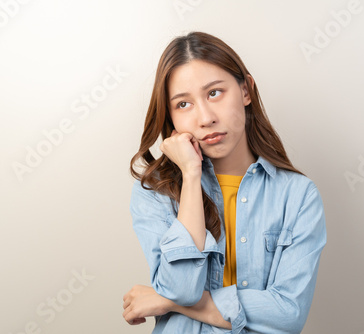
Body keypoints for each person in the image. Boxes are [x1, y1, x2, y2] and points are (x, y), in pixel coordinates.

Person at [122, 31, 327, 334]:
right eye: (183, 104)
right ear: (171, 117)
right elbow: (181, 287)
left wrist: (170, 302)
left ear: (246, 91)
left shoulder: (297, 196)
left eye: (215, 93)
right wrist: (191, 175)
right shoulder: (156, 194)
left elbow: (287, 314)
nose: (205, 117)